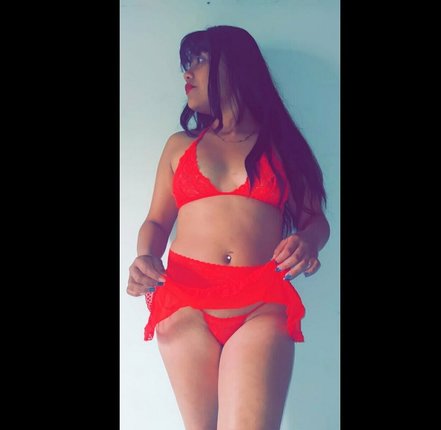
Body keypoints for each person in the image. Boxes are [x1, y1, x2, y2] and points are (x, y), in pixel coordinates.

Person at [127, 25, 330, 430]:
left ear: (235, 66)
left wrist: (308, 241)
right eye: (186, 65)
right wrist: (145, 256)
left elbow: (315, 221)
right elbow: (156, 221)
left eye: (199, 60)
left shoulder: (283, 146)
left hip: (261, 303)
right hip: (185, 302)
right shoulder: (179, 146)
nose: (187, 73)